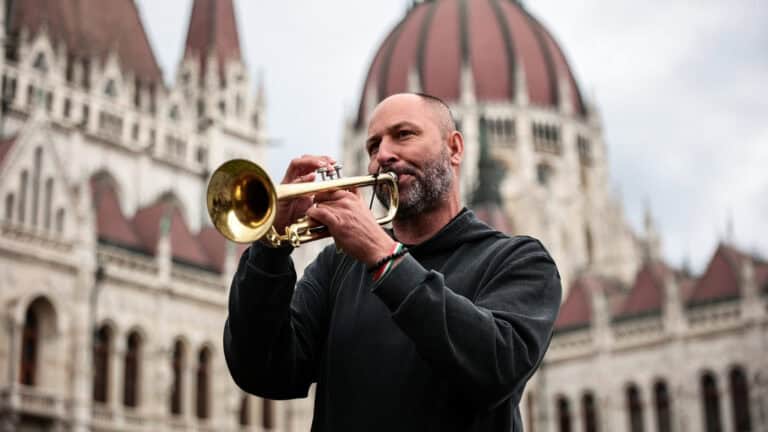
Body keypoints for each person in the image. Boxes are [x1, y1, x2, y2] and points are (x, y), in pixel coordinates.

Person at [224, 93, 562, 431]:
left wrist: (382, 255)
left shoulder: (519, 262)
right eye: (373, 146)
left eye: (404, 135)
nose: (383, 155)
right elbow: (261, 370)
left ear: (455, 148)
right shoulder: (337, 265)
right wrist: (270, 246)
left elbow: (496, 368)